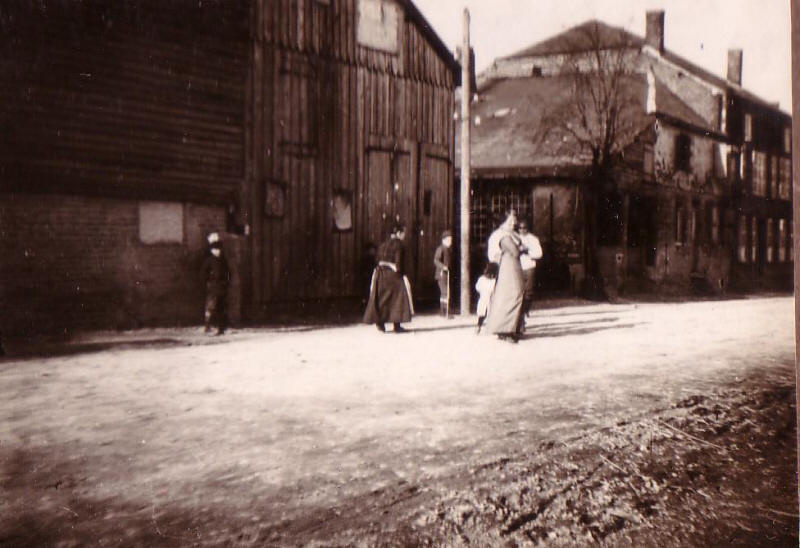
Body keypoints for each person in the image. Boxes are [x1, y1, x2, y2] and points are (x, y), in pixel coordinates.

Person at [363, 224, 414, 333]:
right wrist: (401, 272)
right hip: (393, 275)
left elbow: (377, 260)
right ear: (399, 233)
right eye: (404, 233)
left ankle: (380, 325)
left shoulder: (383, 244)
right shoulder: (399, 245)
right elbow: (399, 263)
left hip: (380, 274)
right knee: (397, 300)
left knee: (382, 300)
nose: (404, 235)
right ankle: (397, 325)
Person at [483, 210, 525, 342]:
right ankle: (506, 330)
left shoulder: (510, 233)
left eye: (514, 220)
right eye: (510, 221)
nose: (513, 223)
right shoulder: (502, 235)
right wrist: (523, 249)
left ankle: (512, 328)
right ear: (503, 221)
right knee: (512, 295)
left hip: (512, 266)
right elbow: (515, 251)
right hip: (507, 267)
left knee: (513, 295)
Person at [202, 232, 230, 336]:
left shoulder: (223, 260)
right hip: (213, 287)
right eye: (215, 248)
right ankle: (208, 325)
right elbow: (204, 273)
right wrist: (208, 282)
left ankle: (221, 327)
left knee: (221, 307)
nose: (217, 250)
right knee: (211, 306)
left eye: (218, 248)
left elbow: (228, 272)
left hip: (221, 286)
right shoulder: (209, 260)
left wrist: (226, 282)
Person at [517, 219, 543, 320]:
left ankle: (525, 310)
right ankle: (519, 311)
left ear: (527, 228)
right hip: (517, 267)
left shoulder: (533, 239)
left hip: (529, 266)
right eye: (520, 228)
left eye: (524, 228)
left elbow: (539, 254)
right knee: (518, 291)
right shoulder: (515, 238)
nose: (522, 230)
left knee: (528, 291)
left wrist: (527, 251)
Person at [433, 230, 453, 317]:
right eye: (449, 240)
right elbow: (436, 260)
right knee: (445, 292)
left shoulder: (448, 249)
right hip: (441, 274)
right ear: (444, 240)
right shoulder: (440, 248)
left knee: (445, 292)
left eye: (451, 240)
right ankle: (445, 311)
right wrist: (443, 267)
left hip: (446, 273)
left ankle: (443, 311)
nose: (450, 242)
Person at [475, 262, 498, 334]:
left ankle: (479, 326)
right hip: (489, 299)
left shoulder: (481, 279)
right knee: (487, 313)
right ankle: (484, 327)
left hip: (484, 298)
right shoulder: (494, 281)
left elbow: (477, 288)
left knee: (482, 314)